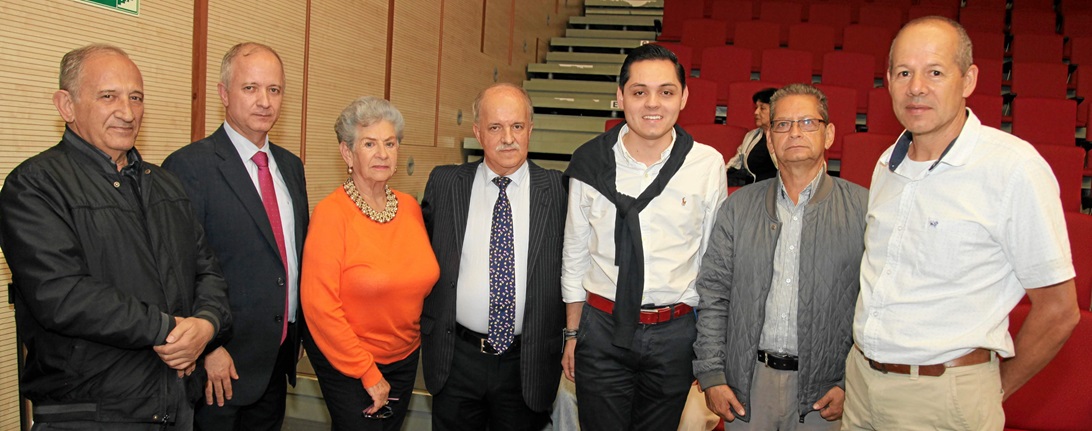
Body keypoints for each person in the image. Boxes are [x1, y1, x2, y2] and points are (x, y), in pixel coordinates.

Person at [843, 16, 1080, 430]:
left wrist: (989, 389)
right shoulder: (887, 164)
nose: (916, 86)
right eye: (904, 72)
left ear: (968, 79)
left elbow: (1060, 310)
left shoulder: (1012, 168)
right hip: (862, 386)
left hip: (946, 398)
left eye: (934, 72)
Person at [0, 44, 231, 429]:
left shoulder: (166, 185)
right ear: (66, 105)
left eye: (136, 97)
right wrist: (169, 329)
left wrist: (206, 324)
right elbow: (62, 295)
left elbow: (208, 272)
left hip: (176, 404)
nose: (127, 112)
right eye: (108, 96)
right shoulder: (34, 186)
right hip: (89, 412)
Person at [561, 43, 729, 430]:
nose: (652, 104)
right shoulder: (590, 161)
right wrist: (573, 333)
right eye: (639, 92)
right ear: (620, 96)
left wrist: (707, 348)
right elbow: (575, 255)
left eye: (666, 92)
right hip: (601, 330)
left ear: (684, 97)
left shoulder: (706, 164)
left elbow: (711, 263)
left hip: (675, 332)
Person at [693, 84, 867, 430]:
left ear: (829, 134)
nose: (796, 132)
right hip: (748, 385)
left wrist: (852, 382)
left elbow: (874, 307)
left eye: (807, 122)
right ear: (769, 140)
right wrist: (712, 374)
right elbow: (714, 294)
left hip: (826, 390)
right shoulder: (738, 207)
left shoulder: (863, 210)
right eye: (783, 125)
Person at [162, 42, 308, 431]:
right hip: (220, 367)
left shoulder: (291, 168)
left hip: (277, 357)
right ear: (224, 94)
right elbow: (177, 270)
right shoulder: (189, 166)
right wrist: (208, 347)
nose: (264, 101)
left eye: (274, 90)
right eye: (250, 88)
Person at [420, 83, 567, 431]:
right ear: (477, 132)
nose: (508, 138)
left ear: (530, 130)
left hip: (527, 362)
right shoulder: (444, 183)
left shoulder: (560, 191)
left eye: (517, 126)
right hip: (456, 357)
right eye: (495, 127)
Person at [301, 96, 439, 431]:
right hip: (350, 362)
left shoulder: (409, 208)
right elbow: (319, 307)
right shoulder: (332, 214)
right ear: (347, 153)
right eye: (369, 143)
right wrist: (366, 370)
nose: (382, 153)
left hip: (405, 358)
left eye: (390, 143)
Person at [726, 87, 778, 186]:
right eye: (756, 108)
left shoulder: (786, 137)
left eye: (762, 108)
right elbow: (736, 162)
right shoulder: (751, 136)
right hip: (752, 190)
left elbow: (787, 170)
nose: (756, 112)